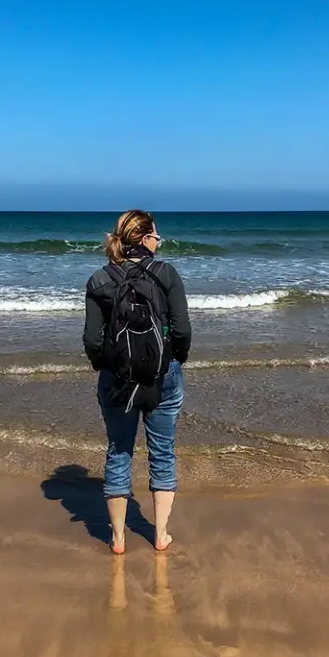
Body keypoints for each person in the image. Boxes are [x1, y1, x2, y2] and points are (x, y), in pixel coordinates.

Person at [83, 210, 192, 555]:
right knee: (162, 453)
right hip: (163, 375)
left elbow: (91, 340)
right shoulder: (166, 274)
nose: (159, 241)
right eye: (156, 236)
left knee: (119, 451)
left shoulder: (100, 279)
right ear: (145, 239)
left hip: (116, 378)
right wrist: (176, 359)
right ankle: (159, 535)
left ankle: (117, 539)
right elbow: (183, 329)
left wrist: (107, 366)